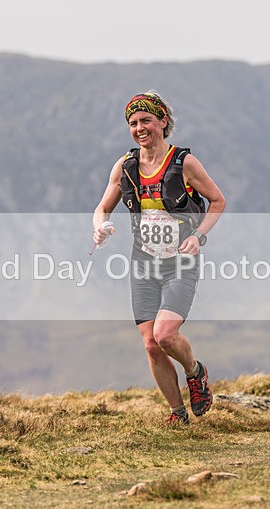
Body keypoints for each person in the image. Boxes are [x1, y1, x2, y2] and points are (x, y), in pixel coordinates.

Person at [93, 91, 226, 425]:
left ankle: (195, 373)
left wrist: (198, 235)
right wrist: (100, 228)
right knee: (151, 345)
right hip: (143, 264)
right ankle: (178, 414)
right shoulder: (125, 166)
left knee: (165, 335)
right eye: (133, 123)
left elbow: (217, 201)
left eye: (146, 121)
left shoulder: (185, 163)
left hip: (180, 262)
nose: (139, 128)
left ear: (163, 121)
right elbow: (102, 207)